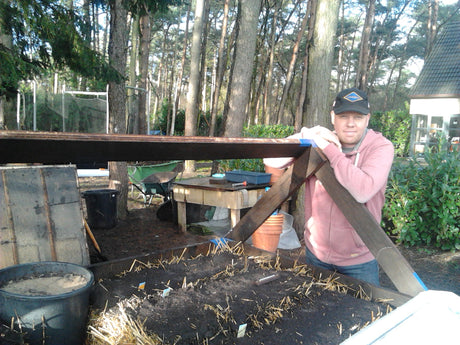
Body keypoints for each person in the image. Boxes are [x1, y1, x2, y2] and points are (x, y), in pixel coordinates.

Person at [264, 87, 394, 286]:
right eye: (343, 116)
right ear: (333, 117)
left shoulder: (381, 147)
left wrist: (329, 150)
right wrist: (307, 134)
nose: (350, 123)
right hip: (316, 255)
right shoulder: (317, 140)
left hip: (359, 261)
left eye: (358, 117)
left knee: (365, 316)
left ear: (367, 119)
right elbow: (271, 160)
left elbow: (362, 191)